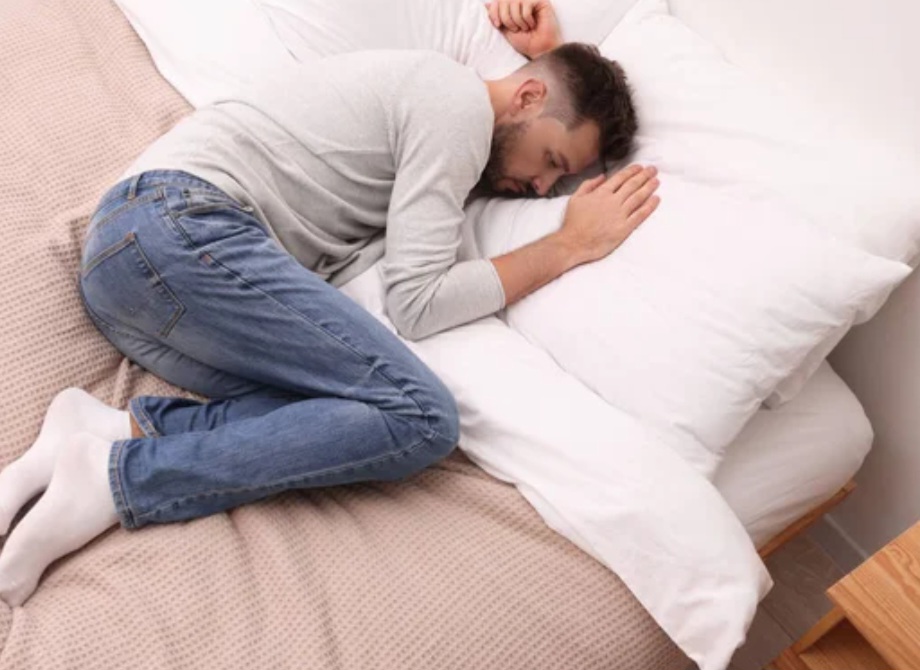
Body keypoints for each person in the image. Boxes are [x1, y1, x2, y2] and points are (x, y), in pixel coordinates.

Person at [0, 0, 660, 606]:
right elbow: (419, 302)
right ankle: (122, 478)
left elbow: (538, 110)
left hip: (132, 278)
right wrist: (567, 245)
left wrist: (546, 55)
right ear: (528, 94)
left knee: (339, 407)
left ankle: (106, 430)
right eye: (553, 160)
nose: (542, 186)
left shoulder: (454, 119)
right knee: (422, 417)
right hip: (180, 228)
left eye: (558, 179)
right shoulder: (457, 105)